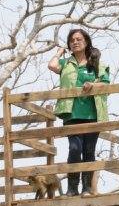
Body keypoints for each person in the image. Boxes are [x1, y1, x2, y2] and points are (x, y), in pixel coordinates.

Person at [46, 27, 109, 195]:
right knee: (74, 149)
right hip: (71, 113)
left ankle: (87, 188)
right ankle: (72, 188)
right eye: (72, 40)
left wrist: (93, 85)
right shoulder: (66, 63)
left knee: (89, 150)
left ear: (86, 42)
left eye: (78, 39)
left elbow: (106, 84)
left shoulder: (96, 63)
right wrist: (60, 52)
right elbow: (51, 65)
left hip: (92, 113)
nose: (75, 42)